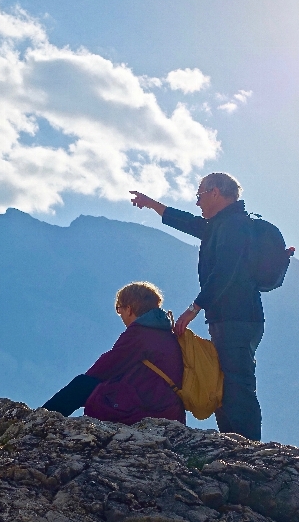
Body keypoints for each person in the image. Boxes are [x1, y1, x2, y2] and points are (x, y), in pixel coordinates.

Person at [129, 172, 264, 440]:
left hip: (237, 319)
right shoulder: (221, 224)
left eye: (199, 195)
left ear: (215, 192)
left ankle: (247, 448)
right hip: (231, 318)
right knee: (225, 378)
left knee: (238, 382)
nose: (197, 202)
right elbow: (188, 223)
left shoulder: (234, 226)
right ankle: (233, 442)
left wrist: (195, 307)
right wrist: (153, 204)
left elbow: (226, 272)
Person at [43, 282, 186, 425]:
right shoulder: (167, 334)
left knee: (83, 384)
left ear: (129, 309)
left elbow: (106, 366)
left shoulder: (139, 332)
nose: (121, 315)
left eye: (119, 309)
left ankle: (40, 420)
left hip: (150, 409)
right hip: (171, 411)